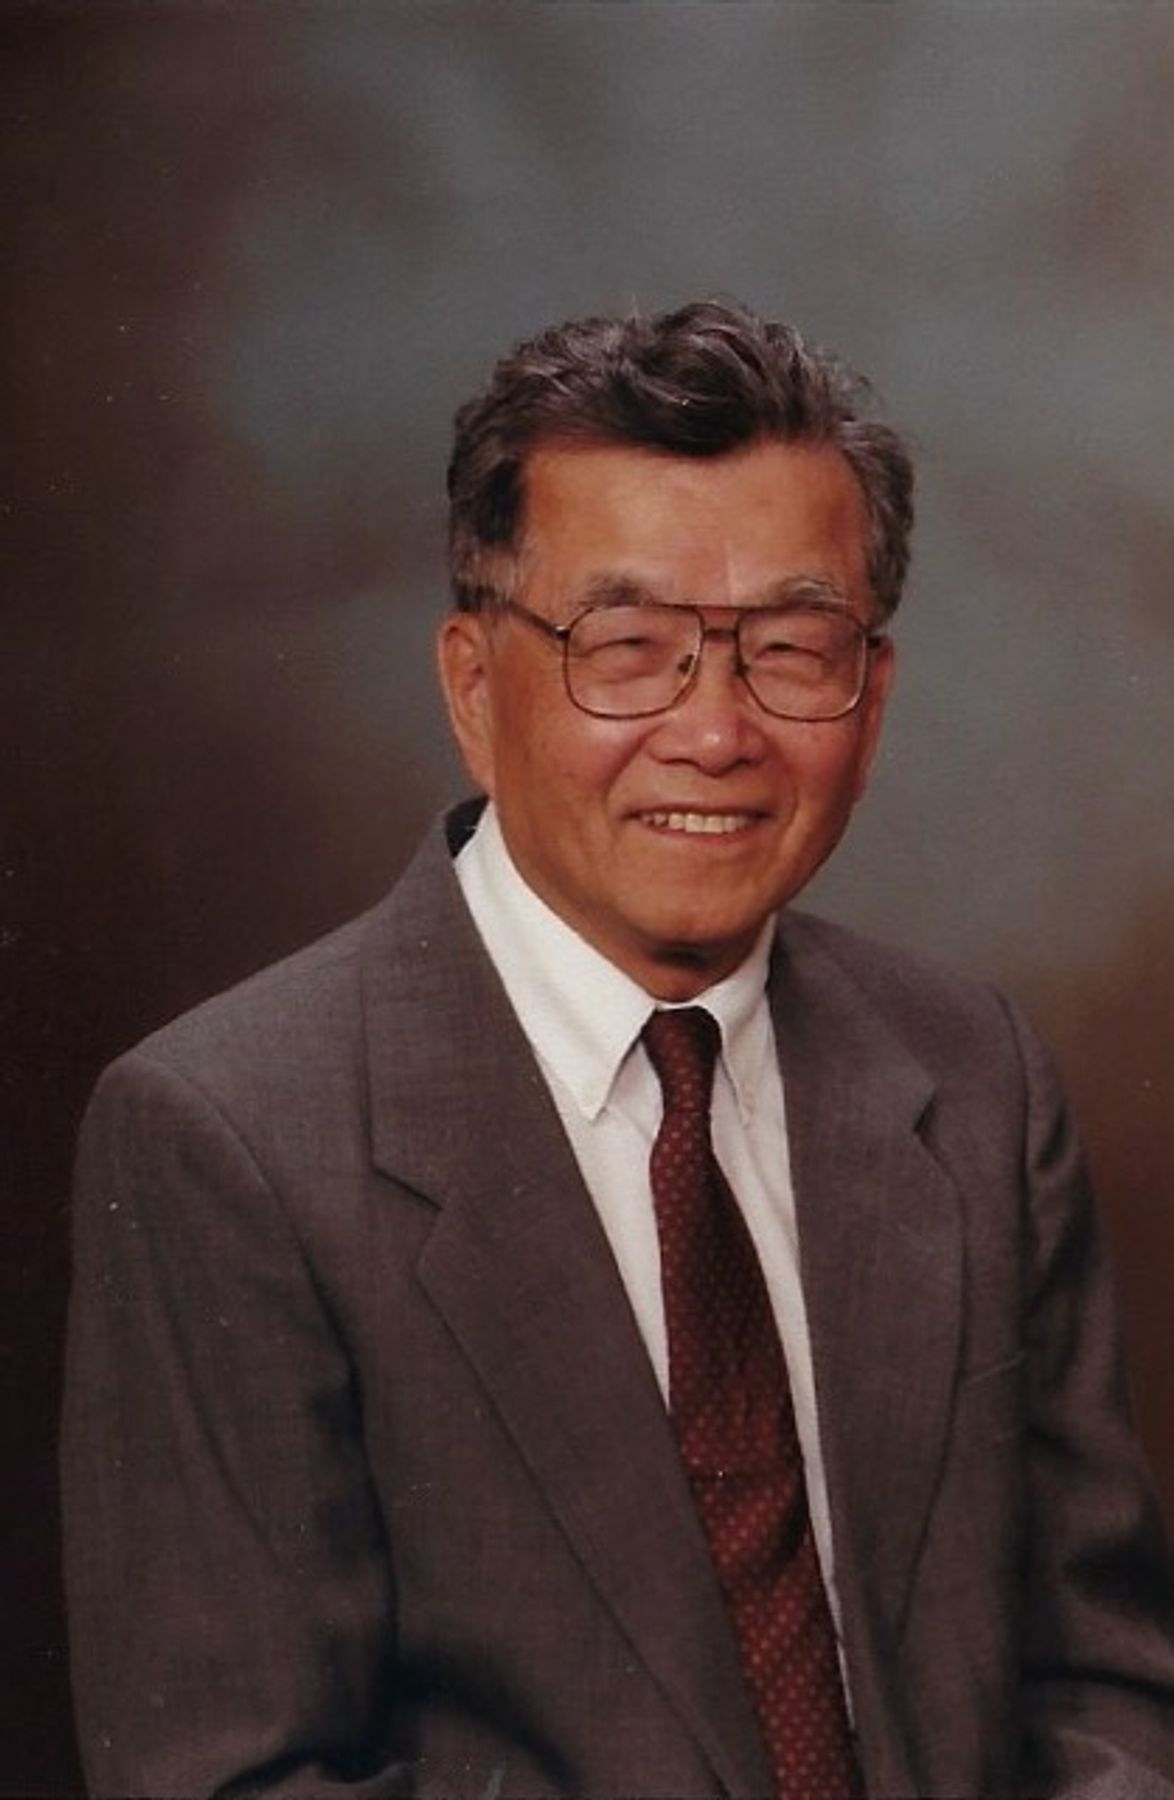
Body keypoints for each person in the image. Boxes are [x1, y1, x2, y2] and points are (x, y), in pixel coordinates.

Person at [62, 300, 1174, 1799]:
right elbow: (237, 1776)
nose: (715, 732)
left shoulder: (973, 1075)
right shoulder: (229, 1137)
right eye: (629, 647)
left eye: (792, 648)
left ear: (873, 699)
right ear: (473, 686)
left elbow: (1099, 1679)